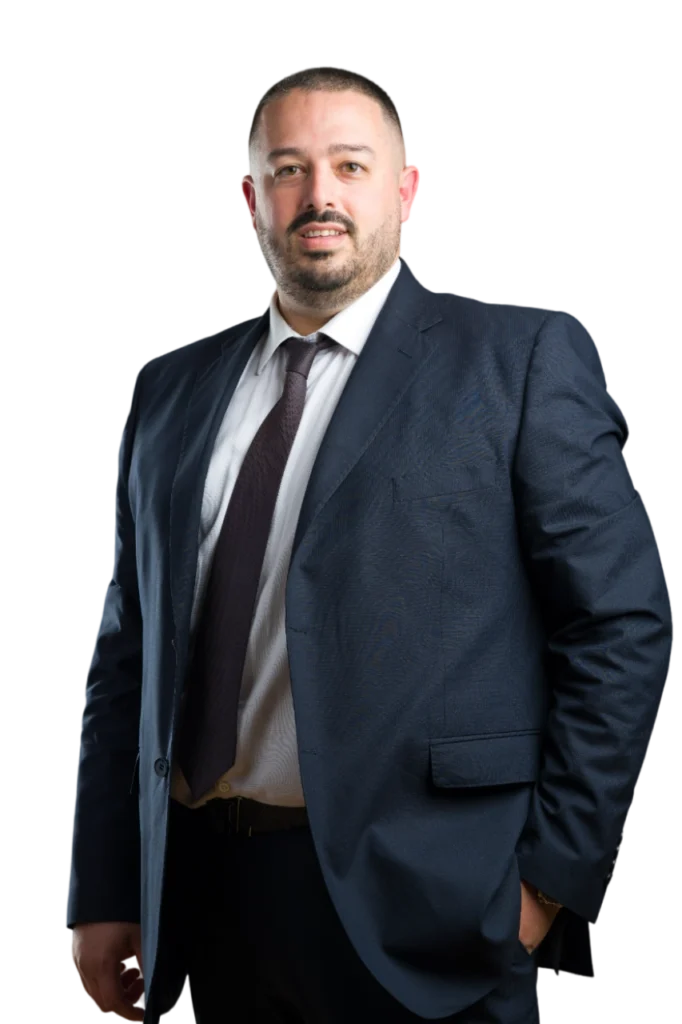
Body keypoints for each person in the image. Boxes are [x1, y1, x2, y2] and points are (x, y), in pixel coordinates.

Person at [66, 66, 673, 1023]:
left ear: (406, 187)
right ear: (251, 198)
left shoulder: (518, 360)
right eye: (290, 169)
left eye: (350, 165)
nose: (321, 195)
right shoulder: (169, 391)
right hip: (198, 901)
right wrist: (104, 889)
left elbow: (620, 627)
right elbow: (125, 656)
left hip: (430, 908)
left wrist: (547, 882)